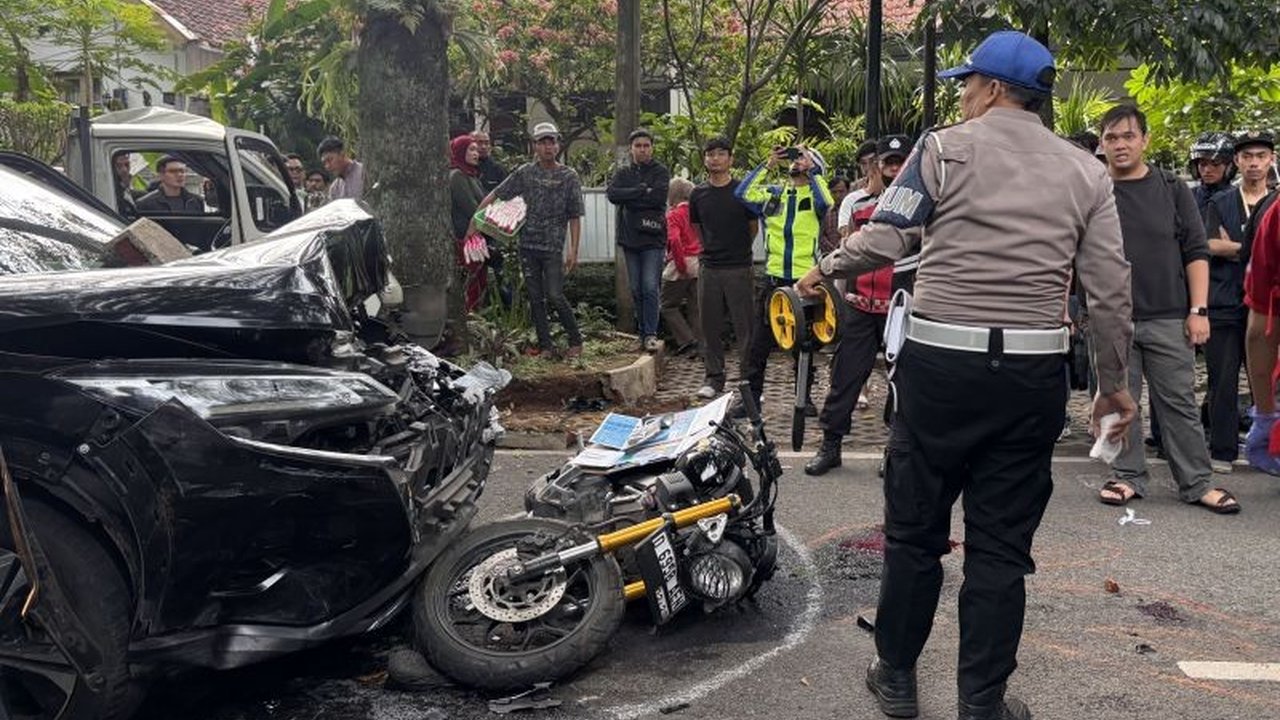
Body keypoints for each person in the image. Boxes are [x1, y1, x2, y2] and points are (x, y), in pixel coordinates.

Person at [795, 30, 1135, 720]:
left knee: (916, 531)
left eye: (966, 83)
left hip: (940, 368)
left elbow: (888, 238)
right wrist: (1114, 385)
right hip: (1032, 374)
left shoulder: (943, 148)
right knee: (1001, 548)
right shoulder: (1087, 171)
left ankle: (896, 677)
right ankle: (981, 701)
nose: (961, 94)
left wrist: (825, 268)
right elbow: (1108, 289)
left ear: (993, 89)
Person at [1095, 103, 1241, 513]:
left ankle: (1196, 482)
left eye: (1128, 136)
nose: (1120, 145)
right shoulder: (1092, 189)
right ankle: (1126, 477)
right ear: (1102, 144)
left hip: (1168, 315)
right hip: (1110, 318)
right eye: (1111, 138)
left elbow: (1196, 250)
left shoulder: (1172, 187)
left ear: (1145, 139)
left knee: (1178, 402)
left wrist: (1199, 310)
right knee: (1116, 398)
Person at [806, 135, 909, 476]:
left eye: (899, 162)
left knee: (903, 383)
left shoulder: (923, 206)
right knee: (845, 377)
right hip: (860, 304)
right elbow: (850, 246)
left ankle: (893, 449)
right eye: (888, 162)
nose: (893, 168)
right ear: (878, 165)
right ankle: (830, 445)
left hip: (901, 308)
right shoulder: (859, 203)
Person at [468, 121, 584, 358]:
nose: (547, 147)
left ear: (558, 145)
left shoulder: (568, 176)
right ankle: (546, 346)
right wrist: (475, 220)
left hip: (553, 246)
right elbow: (497, 194)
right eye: (542, 142)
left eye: (551, 142)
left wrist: (573, 250)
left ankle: (576, 340)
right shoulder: (525, 173)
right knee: (535, 298)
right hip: (527, 245)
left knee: (555, 294)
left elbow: (575, 216)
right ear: (535, 146)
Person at [736, 143, 833, 410]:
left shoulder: (815, 197)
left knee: (803, 346)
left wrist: (812, 171)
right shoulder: (773, 194)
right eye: (795, 157)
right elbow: (742, 193)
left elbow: (827, 202)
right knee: (757, 347)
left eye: (803, 157)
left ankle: (805, 398)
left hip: (804, 282)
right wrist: (768, 165)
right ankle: (750, 401)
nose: (797, 161)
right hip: (773, 279)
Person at [1202, 131, 1275, 471]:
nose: (1254, 163)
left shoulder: (1274, 203)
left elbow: (1237, 249)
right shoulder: (1221, 202)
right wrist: (1251, 250)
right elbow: (1209, 245)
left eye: (1261, 156)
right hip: (1224, 301)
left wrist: (1237, 246)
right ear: (1237, 162)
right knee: (1223, 379)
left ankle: (1271, 446)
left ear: (1271, 159)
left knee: (1271, 378)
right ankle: (1222, 450)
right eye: (1247, 157)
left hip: (1266, 306)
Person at [690, 136, 759, 399]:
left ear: (730, 159)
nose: (715, 159)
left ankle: (749, 381)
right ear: (705, 159)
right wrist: (708, 248)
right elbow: (697, 227)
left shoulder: (743, 191)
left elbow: (753, 227)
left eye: (721, 154)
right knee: (709, 325)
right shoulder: (698, 194)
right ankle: (714, 377)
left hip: (739, 266)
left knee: (745, 326)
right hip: (710, 267)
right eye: (710, 154)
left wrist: (739, 248)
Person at [607, 128, 672, 352]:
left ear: (652, 148)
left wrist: (633, 196)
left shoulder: (661, 171)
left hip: (653, 238)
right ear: (631, 149)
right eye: (638, 146)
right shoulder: (623, 173)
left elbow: (658, 197)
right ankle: (642, 333)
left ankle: (651, 333)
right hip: (630, 239)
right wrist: (641, 190)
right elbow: (613, 195)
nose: (642, 149)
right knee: (635, 288)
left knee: (650, 287)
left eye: (646, 145)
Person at [471, 129, 513, 307]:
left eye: (486, 142)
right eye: (479, 143)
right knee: (473, 278)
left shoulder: (497, 170)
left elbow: (509, 201)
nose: (483, 147)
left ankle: (508, 310)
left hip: (493, 231)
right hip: (470, 232)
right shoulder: (463, 170)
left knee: (503, 276)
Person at [661, 178, 702, 356]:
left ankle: (687, 341)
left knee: (667, 305)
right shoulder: (697, 212)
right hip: (699, 261)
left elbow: (674, 240)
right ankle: (702, 345)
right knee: (696, 307)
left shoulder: (673, 215)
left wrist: (680, 265)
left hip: (682, 262)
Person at [449, 134, 488, 313]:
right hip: (464, 238)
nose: (476, 153)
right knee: (471, 284)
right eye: (471, 150)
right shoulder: (457, 176)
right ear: (460, 152)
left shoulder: (471, 175)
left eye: (476, 150)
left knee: (480, 282)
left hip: (477, 237)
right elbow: (473, 208)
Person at [838, 140, 881, 236]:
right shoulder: (852, 199)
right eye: (863, 163)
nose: (869, 166)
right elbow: (845, 233)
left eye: (873, 161)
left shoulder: (895, 193)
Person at [135, 156, 204, 215]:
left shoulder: (196, 201)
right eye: (173, 171)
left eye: (182, 171)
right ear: (161, 175)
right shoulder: (145, 203)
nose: (180, 175)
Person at [1190, 131, 1237, 212]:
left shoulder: (1239, 197)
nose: (1207, 170)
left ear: (1229, 166)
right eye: (1203, 164)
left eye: (1215, 164)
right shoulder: (1187, 196)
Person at [318, 136, 364, 201]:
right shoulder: (334, 188)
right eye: (324, 163)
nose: (327, 166)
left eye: (330, 160)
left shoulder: (363, 173)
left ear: (342, 154)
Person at [821, 174, 851, 253]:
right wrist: (834, 251)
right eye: (834, 192)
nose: (838, 195)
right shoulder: (827, 212)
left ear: (848, 191)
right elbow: (822, 237)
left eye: (841, 191)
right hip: (830, 258)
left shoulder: (854, 210)